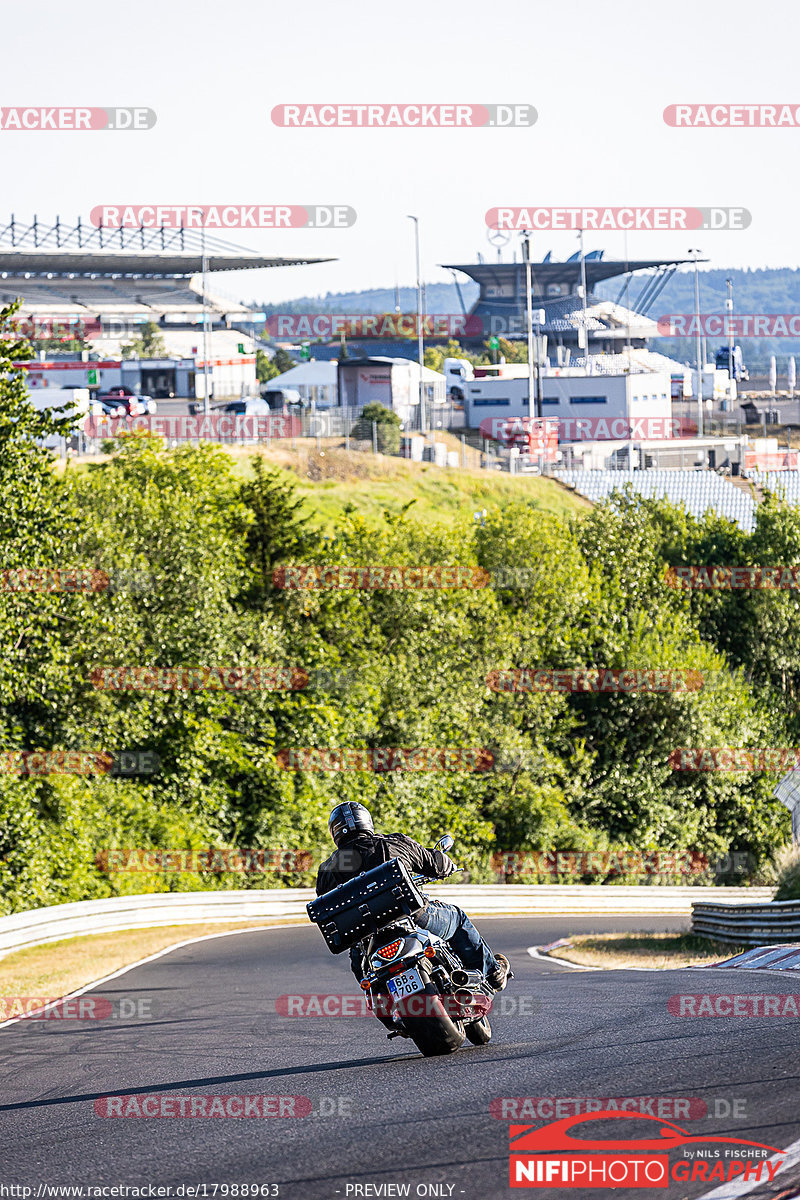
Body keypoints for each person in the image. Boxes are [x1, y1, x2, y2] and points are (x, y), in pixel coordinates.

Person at [316, 801, 511, 992]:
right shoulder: (393, 843)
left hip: (366, 943)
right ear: (366, 822)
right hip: (414, 918)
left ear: (335, 832)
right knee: (458, 919)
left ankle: (385, 1005)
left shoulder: (326, 871)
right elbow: (437, 865)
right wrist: (446, 865)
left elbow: (328, 909)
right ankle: (493, 974)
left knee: (361, 971)